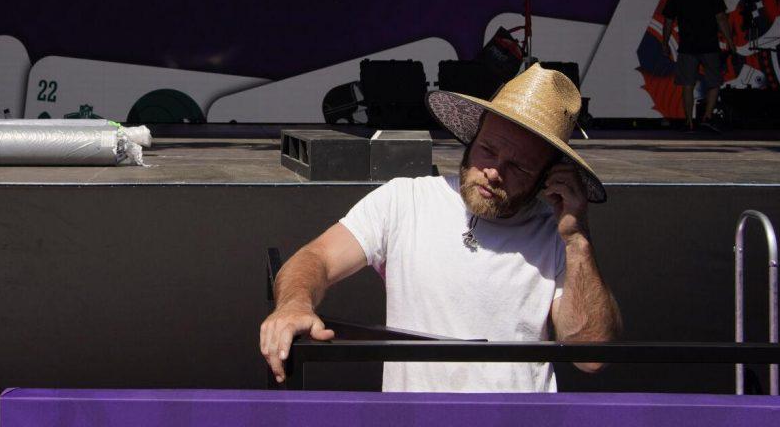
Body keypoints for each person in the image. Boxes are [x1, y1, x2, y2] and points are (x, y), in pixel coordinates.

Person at [260, 64, 621, 392]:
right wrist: (293, 305)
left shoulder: (559, 237)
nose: (494, 171)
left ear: (548, 177)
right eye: (487, 150)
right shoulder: (405, 200)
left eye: (520, 167)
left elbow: (590, 354)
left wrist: (577, 240)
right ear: (472, 136)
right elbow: (316, 258)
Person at [661, 0, 736, 131]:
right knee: (714, 82)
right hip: (709, 45)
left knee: (688, 84)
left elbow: (668, 21)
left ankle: (689, 121)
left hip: (687, 46)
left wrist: (665, 42)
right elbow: (721, 18)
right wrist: (730, 42)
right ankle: (707, 116)